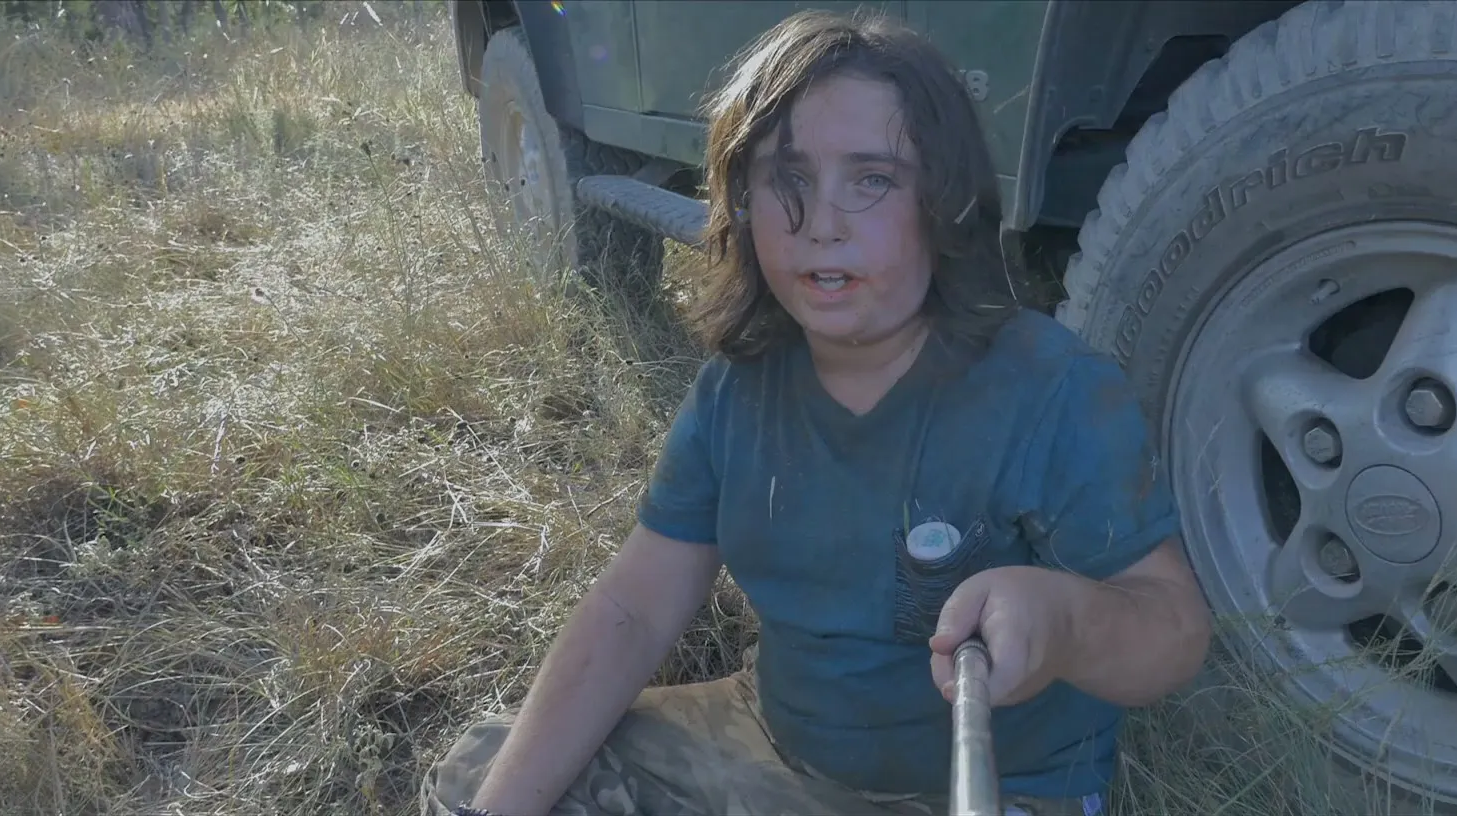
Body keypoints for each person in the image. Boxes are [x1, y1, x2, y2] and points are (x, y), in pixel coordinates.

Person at [422, 9, 1212, 816]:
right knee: (487, 772)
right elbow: (634, 608)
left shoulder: (1051, 390)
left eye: (872, 180)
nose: (824, 225)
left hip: (988, 788)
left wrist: (1065, 621)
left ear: (942, 202)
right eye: (788, 180)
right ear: (741, 201)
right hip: (771, 746)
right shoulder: (737, 391)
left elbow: (1174, 631)